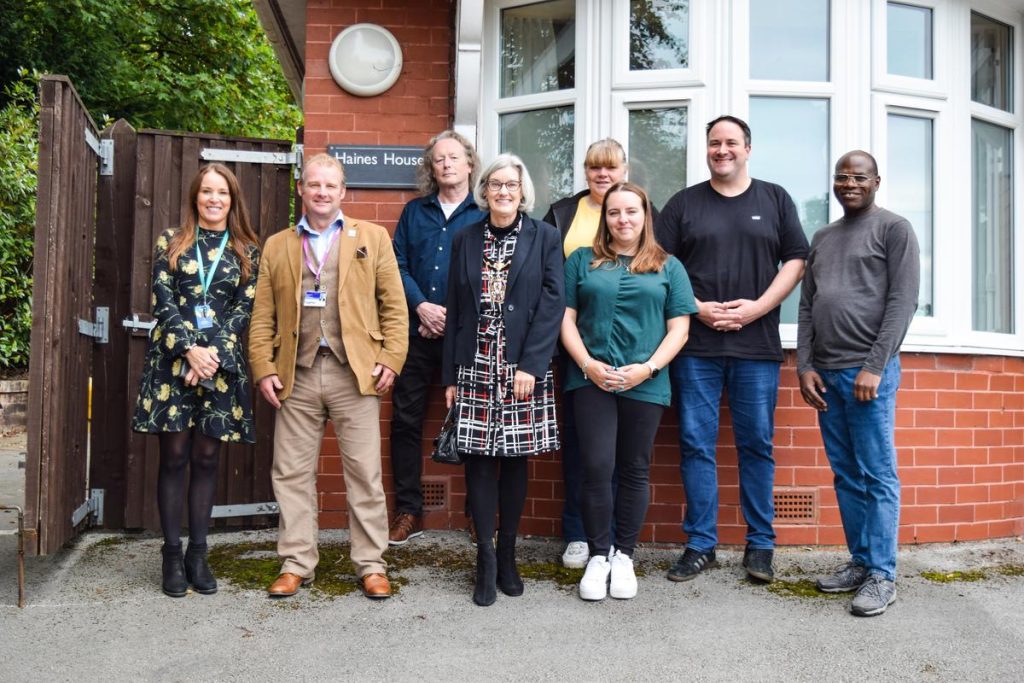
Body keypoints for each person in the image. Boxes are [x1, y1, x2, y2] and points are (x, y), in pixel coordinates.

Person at [655, 115, 809, 584]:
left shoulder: (775, 198)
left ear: (747, 148)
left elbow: (796, 260)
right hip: (696, 346)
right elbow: (658, 262)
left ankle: (760, 545)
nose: (722, 150)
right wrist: (697, 308)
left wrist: (758, 308)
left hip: (755, 346)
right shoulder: (684, 204)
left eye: (731, 143)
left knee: (756, 446)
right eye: (714, 143)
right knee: (695, 444)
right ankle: (701, 544)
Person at [249, 153, 408, 600]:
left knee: (364, 473)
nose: (321, 192)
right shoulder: (278, 245)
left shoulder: (372, 237)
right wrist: (263, 367)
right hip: (294, 374)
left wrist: (391, 358)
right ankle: (296, 563)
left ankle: (371, 564)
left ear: (343, 192)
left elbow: (394, 305)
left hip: (353, 372)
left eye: (330, 185)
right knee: (291, 473)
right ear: (301, 189)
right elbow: (262, 315)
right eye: (314, 184)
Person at [561, 182, 697, 601]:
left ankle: (625, 555)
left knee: (635, 468)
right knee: (596, 466)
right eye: (615, 212)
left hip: (646, 380)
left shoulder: (668, 266)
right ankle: (599, 555)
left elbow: (680, 327)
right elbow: (566, 319)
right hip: (590, 379)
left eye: (631, 212)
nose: (623, 219)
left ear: (644, 216)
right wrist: (587, 364)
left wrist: (648, 368)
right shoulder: (582, 260)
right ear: (606, 218)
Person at [798, 150, 920, 617]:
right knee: (847, 474)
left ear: (876, 181)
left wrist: (875, 365)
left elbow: (903, 301)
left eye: (859, 177)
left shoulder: (894, 229)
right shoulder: (823, 237)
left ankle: (882, 576)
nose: (849, 183)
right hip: (826, 375)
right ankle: (860, 561)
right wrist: (804, 365)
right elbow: (809, 305)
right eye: (841, 177)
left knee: (877, 474)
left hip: (868, 374)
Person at [132, 163, 261, 597]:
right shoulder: (172, 241)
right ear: (195, 197)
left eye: (221, 193)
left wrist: (210, 357)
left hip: (220, 369)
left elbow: (243, 311)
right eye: (206, 191)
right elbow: (161, 300)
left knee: (207, 459)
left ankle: (198, 555)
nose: (214, 199)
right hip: (172, 363)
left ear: (232, 199)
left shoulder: (246, 249)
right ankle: (171, 555)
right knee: (174, 458)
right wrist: (189, 349)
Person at [442, 153, 564, 606]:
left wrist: (532, 365)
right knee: (477, 458)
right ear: (484, 190)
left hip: (521, 368)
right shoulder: (465, 238)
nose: (504, 192)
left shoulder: (545, 237)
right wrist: (451, 373)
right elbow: (456, 307)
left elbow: (553, 304)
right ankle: (485, 559)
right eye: (496, 184)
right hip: (475, 363)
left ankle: (509, 553)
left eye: (512, 184)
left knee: (514, 459)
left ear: (522, 190)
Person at [387, 130, 485, 546]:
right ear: (432, 168)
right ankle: (409, 509)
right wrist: (421, 307)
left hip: (463, 336)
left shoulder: (482, 213)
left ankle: (477, 513)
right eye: (438, 159)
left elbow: (486, 274)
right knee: (405, 422)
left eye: (453, 157)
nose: (446, 164)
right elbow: (396, 264)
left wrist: (449, 316)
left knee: (475, 420)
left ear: (469, 164)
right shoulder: (414, 213)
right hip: (415, 332)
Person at [543, 138, 629, 569]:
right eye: (594, 167)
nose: (602, 175)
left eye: (611, 168)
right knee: (580, 443)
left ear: (624, 170)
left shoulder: (638, 213)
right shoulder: (563, 212)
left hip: (629, 347)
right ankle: (577, 533)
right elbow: (544, 274)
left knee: (620, 449)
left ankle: (613, 538)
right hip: (572, 345)